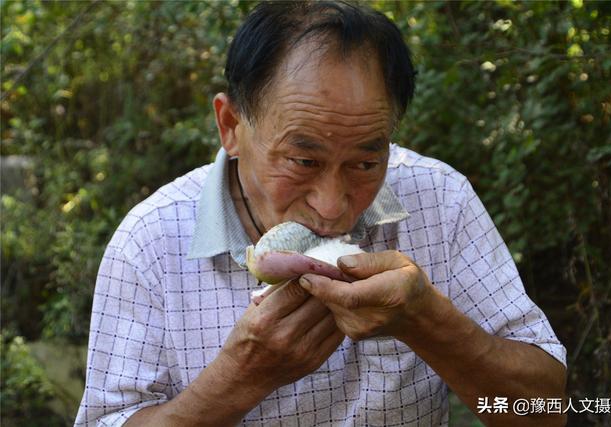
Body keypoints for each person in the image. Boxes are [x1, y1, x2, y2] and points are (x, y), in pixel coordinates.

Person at [75, 1, 567, 426]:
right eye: (303, 160)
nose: (332, 206)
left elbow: (546, 411)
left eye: (365, 162)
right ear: (231, 126)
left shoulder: (440, 200)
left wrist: (426, 321)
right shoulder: (151, 241)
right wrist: (241, 375)